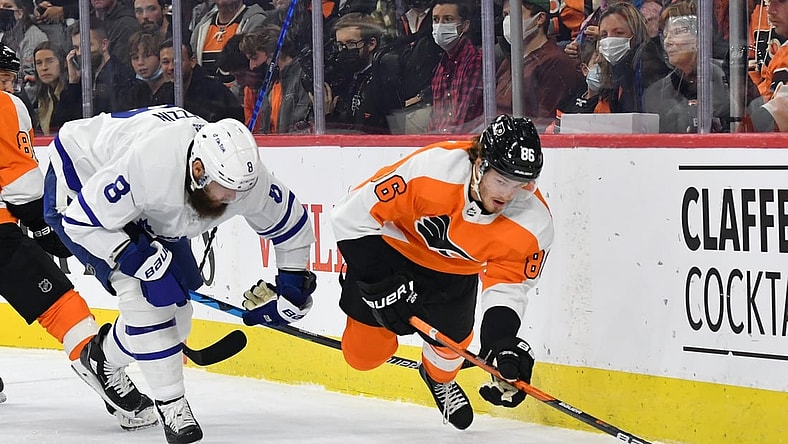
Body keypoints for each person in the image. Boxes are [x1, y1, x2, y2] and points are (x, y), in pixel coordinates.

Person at [45, 107, 317, 443]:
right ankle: (172, 406)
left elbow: (291, 226)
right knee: (145, 298)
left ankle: (102, 358)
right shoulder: (150, 165)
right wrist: (133, 257)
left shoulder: (244, 181)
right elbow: (81, 222)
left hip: (149, 205)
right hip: (82, 178)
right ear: (198, 170)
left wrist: (291, 287)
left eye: (237, 193)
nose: (230, 201)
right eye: (223, 190)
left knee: (178, 315)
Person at [331, 114, 553, 429]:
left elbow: (508, 284)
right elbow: (348, 216)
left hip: (455, 275)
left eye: (520, 184)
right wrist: (378, 282)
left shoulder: (534, 221)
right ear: (480, 165)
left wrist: (500, 342)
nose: (509, 194)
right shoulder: (431, 171)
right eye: (502, 180)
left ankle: (437, 379)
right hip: (393, 254)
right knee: (362, 357)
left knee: (447, 359)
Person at [0, 42, 157, 431]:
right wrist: (41, 223)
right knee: (60, 303)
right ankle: (102, 370)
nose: (8, 83)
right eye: (2, 76)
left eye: (9, 76)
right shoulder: (6, 105)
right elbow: (21, 182)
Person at [496, 0, 583, 129]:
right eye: (505, 15)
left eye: (514, 13)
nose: (508, 21)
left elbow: (544, 123)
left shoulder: (555, 63)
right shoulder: (509, 61)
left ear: (540, 18)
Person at [643, 8, 729, 133]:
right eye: (666, 35)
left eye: (677, 32)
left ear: (700, 35)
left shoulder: (729, 77)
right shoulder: (654, 94)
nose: (667, 42)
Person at [53, 18, 137, 125]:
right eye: (76, 48)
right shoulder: (83, 80)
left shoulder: (121, 77)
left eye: (86, 46)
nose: (79, 53)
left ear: (104, 45)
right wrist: (73, 83)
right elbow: (60, 122)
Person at [594, 2, 669, 113]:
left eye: (619, 32)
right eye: (604, 35)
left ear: (636, 34)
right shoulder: (613, 70)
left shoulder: (648, 64)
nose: (610, 40)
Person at [239, 24, 311, 133]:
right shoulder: (270, 84)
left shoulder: (303, 76)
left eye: (254, 57)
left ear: (273, 52)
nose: (252, 66)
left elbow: (303, 127)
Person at [427, 0, 483, 134]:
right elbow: (434, 119)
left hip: (461, 147)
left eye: (448, 19)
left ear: (464, 26)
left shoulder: (475, 61)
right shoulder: (441, 66)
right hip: (439, 145)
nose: (440, 26)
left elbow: (465, 120)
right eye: (436, 20)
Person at [159, 38, 244, 122]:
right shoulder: (163, 93)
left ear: (192, 61)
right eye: (165, 62)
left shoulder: (214, 92)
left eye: (177, 62)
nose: (171, 67)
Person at [31, 40, 65, 135]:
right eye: (38, 63)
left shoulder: (70, 93)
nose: (44, 67)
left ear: (63, 63)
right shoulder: (42, 96)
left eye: (50, 61)